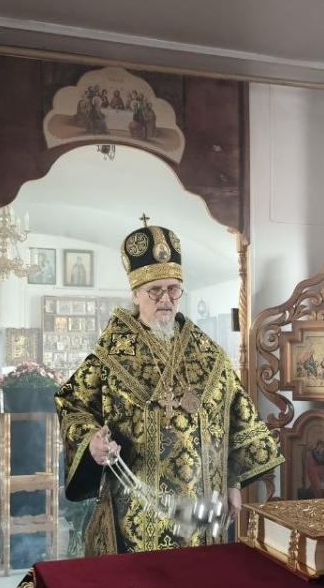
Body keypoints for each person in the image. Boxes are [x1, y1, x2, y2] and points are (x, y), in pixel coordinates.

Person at [56, 220, 283, 554]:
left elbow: (234, 417)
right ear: (135, 294)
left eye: (173, 289)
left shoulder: (209, 355)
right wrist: (92, 441)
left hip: (202, 511)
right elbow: (72, 404)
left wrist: (233, 482)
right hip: (134, 512)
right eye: (155, 290)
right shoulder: (110, 356)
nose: (166, 299)